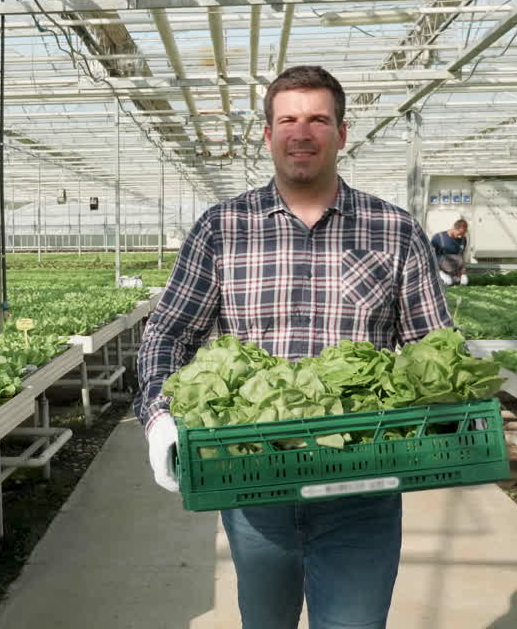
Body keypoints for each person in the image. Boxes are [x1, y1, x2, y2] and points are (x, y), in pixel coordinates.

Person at [135, 65, 453, 629]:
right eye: (287, 119)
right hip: (254, 484)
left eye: (317, 119)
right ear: (267, 134)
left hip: (363, 483)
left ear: (342, 133)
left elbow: (433, 346)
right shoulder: (222, 228)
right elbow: (169, 332)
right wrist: (159, 414)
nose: (301, 132)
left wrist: (449, 411)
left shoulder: (394, 230)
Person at [430, 219, 469, 286]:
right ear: (454, 228)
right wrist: (439, 271)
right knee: (448, 282)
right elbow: (431, 256)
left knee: (464, 282)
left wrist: (462, 270)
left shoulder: (463, 239)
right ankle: (438, 277)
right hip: (441, 270)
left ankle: (453, 278)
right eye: (459, 233)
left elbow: (462, 256)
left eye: (463, 234)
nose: (461, 236)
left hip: (456, 271)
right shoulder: (438, 238)